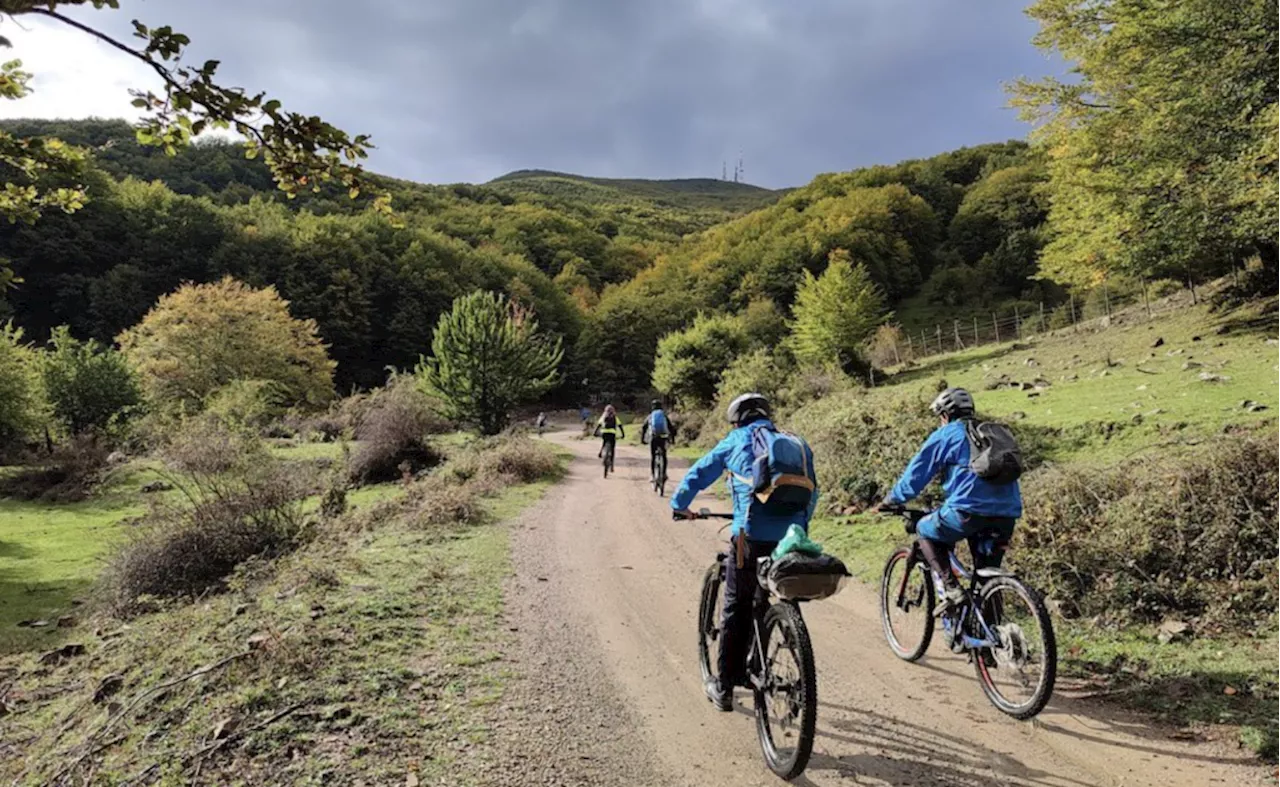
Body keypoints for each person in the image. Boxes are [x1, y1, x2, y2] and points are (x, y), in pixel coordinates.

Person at [672, 393, 818, 712]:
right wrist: (799, 526)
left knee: (736, 604)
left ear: (736, 419)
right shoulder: (795, 443)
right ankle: (795, 661)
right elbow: (813, 492)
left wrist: (679, 506)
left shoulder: (736, 440)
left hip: (747, 537)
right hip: (792, 538)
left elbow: (699, 473)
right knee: (783, 593)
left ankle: (724, 685)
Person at [878, 387, 1022, 612]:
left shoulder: (947, 434)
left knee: (923, 529)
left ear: (944, 415)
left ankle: (952, 588)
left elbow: (916, 474)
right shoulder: (991, 433)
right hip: (1007, 514)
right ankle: (992, 640)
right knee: (986, 579)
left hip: (967, 512)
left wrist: (892, 499)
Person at [640, 399, 673, 481]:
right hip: (663, 437)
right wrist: (672, 439)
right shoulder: (664, 416)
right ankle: (664, 473)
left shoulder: (650, 416)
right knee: (664, 455)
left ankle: (652, 475)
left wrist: (642, 439)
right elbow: (671, 428)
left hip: (653, 438)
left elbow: (644, 427)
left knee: (653, 457)